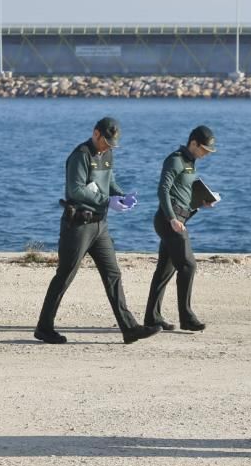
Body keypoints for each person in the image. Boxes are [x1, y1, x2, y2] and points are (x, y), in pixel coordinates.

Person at [35, 117, 160, 345]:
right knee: (65, 276)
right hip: (79, 225)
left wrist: (120, 195)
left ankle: (129, 328)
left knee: (113, 274)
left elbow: (109, 181)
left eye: (112, 144)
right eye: (106, 142)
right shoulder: (80, 155)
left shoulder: (108, 153)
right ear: (96, 134)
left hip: (100, 225)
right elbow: (75, 189)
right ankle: (44, 327)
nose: (108, 147)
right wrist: (107, 201)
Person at [143, 125, 218, 332]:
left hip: (179, 219)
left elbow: (183, 193)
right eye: (203, 150)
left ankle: (152, 318)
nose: (205, 154)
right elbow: (163, 190)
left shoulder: (190, 163)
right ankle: (186, 317)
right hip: (169, 221)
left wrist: (202, 202)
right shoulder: (175, 160)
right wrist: (172, 219)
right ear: (193, 143)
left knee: (164, 271)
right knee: (188, 265)